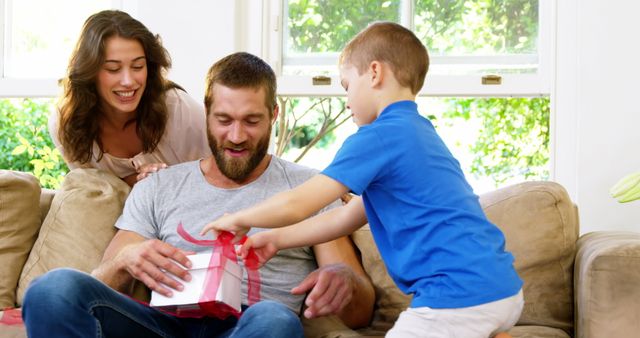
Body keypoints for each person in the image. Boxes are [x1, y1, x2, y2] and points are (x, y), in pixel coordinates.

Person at [202, 22, 524, 338]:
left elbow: (299, 203)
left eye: (346, 86)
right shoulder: (419, 134)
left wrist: (240, 217)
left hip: (456, 294)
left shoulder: (378, 137)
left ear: (374, 73)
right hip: (500, 288)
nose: (346, 100)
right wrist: (275, 239)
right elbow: (344, 216)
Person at [22, 52, 375, 338]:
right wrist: (124, 261)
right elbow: (105, 287)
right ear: (206, 113)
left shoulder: (309, 189)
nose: (236, 136)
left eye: (251, 121)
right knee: (52, 289)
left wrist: (345, 283)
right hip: (164, 326)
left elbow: (360, 312)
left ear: (274, 115)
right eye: (223, 120)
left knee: (275, 319)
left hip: (250, 326)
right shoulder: (159, 185)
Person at [49, 10, 211, 187]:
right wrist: (137, 181)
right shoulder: (67, 125)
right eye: (113, 69)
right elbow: (95, 191)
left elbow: (223, 170)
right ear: (90, 72)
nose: (128, 81)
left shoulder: (179, 108)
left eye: (137, 66)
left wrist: (170, 181)